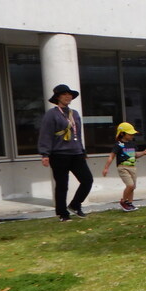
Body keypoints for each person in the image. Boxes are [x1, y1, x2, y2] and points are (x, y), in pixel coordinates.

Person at [38, 84, 93, 222]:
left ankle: (75, 205)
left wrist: (82, 150)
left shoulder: (74, 113)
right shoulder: (52, 114)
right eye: (64, 94)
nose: (68, 97)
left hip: (76, 153)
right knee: (62, 185)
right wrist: (45, 154)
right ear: (58, 97)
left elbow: (78, 133)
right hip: (59, 155)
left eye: (70, 94)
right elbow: (45, 134)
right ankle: (63, 214)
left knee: (87, 180)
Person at [101, 122, 146, 212]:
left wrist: (144, 153)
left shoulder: (132, 144)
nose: (132, 135)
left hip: (133, 167)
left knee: (133, 187)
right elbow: (111, 156)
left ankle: (130, 203)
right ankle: (124, 201)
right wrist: (106, 168)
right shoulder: (119, 145)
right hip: (123, 167)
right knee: (130, 185)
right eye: (130, 133)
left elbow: (135, 155)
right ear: (122, 133)